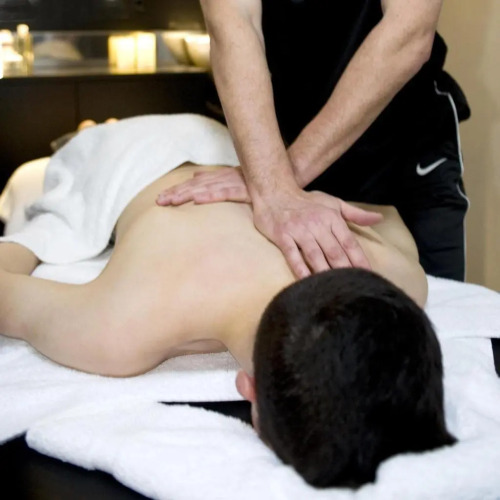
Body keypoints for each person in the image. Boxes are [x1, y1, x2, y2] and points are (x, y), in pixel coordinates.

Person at [0, 117, 454, 487]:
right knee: (82, 158)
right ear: (248, 389)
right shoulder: (119, 329)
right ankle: (91, 130)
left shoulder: (398, 280)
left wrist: (315, 200)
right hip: (149, 157)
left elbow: (387, 216)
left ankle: (95, 127)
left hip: (219, 146)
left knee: (98, 138)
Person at [157, 0, 470, 282]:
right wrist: (273, 183)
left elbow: (409, 33)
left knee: (434, 308)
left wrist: (278, 182)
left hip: (404, 149)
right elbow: (233, 25)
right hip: (289, 141)